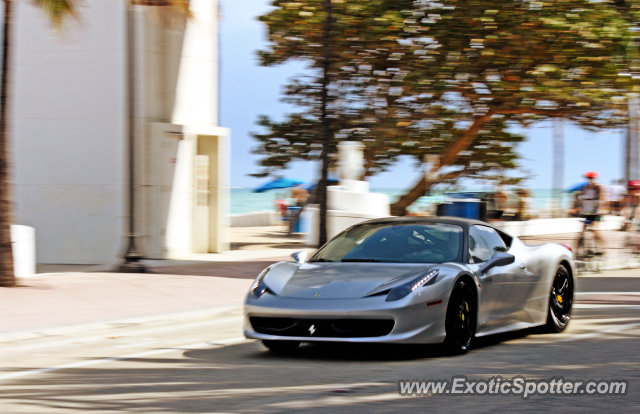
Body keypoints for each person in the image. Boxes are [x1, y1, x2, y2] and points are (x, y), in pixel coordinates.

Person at [579, 171, 604, 243]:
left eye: (590, 178)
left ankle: (601, 245)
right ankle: (580, 249)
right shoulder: (585, 187)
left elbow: (601, 198)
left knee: (594, 229)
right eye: (588, 178)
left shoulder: (598, 187)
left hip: (596, 211)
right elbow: (583, 198)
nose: (589, 179)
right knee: (582, 231)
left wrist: (599, 209)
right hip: (588, 211)